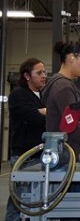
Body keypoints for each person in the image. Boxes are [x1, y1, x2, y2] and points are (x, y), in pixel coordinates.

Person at [41, 41, 80, 221]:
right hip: (67, 158)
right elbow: (71, 124)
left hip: (66, 157)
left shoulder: (61, 84)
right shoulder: (63, 87)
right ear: (71, 58)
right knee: (72, 213)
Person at [5, 58, 47, 221]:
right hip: (24, 157)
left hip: (41, 156)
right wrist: (46, 111)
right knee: (19, 201)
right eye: (39, 73)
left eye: (44, 72)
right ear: (27, 76)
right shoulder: (18, 95)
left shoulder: (42, 95)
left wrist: (42, 111)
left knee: (36, 200)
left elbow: (41, 116)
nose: (44, 76)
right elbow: (34, 118)